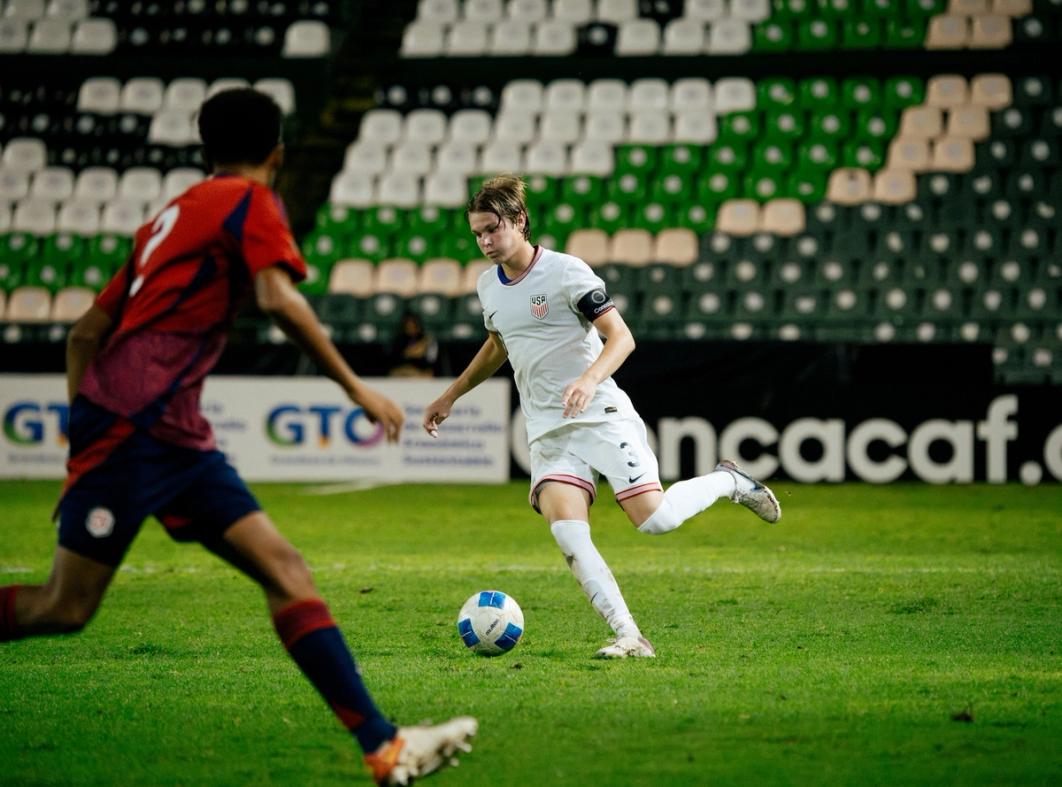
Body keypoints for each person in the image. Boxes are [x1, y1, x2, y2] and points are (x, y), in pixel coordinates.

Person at [0, 89, 476, 786]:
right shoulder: (250, 202)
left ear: (206, 151)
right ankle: (383, 744)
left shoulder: (165, 218)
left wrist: (84, 443)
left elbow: (83, 335)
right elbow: (277, 297)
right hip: (137, 427)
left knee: (283, 569)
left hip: (164, 432)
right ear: (278, 155)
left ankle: (384, 747)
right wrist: (357, 388)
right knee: (63, 606)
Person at [423, 175, 782, 659]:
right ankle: (629, 635)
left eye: (493, 229)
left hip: (599, 414)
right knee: (567, 533)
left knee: (655, 520)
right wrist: (450, 396)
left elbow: (621, 337)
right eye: (477, 234)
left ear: (520, 221)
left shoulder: (566, 272)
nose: (485, 241)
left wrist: (589, 379)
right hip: (548, 429)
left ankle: (729, 481)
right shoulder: (489, 285)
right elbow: (498, 345)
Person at [388, 310, 439, 377]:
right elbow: (396, 359)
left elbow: (431, 361)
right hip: (402, 371)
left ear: (418, 326)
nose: (411, 329)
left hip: (419, 372)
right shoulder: (399, 340)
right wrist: (412, 352)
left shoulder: (427, 340)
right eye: (408, 326)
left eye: (413, 326)